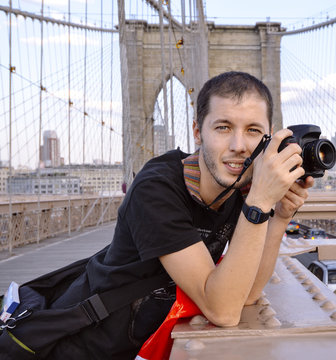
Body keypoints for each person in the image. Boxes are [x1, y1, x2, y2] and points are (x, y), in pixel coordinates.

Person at [46, 71, 314, 359]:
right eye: (223, 128)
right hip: (82, 348)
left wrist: (280, 216)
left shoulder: (241, 190)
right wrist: (259, 202)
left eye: (252, 130)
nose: (238, 146)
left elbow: (245, 294)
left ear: (268, 136)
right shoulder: (156, 188)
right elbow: (222, 311)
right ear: (198, 132)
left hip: (141, 348)